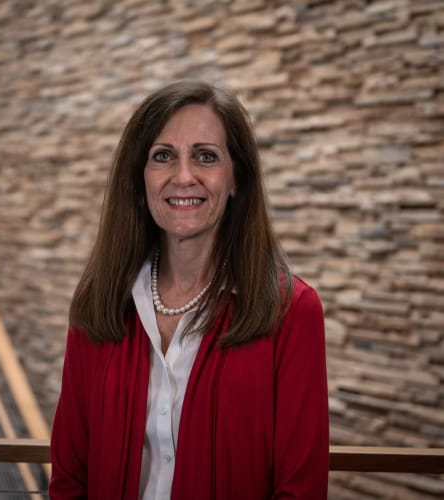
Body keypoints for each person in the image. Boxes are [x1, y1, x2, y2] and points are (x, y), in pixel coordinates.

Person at [49, 80, 329, 499]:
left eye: (206, 156)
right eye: (163, 156)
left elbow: (300, 489)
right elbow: (70, 475)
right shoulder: (99, 301)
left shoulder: (292, 311)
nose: (183, 176)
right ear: (140, 179)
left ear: (237, 180)